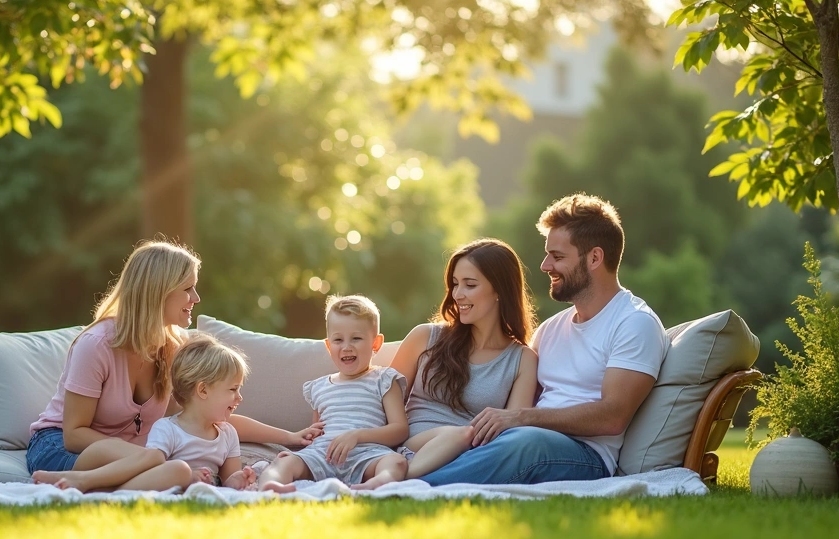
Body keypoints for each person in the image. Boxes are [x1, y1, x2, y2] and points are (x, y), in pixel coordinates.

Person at [28, 240, 320, 492]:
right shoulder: (97, 344)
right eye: (188, 289)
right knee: (163, 461)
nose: (196, 298)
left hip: (134, 456)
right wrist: (148, 455)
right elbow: (74, 434)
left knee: (177, 469)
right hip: (63, 449)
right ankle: (83, 480)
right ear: (159, 292)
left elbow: (206, 415)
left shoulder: (175, 347)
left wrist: (289, 436)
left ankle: (97, 490)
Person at [416, 194, 669, 485]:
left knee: (525, 443)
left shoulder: (634, 323)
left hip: (583, 455)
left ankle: (407, 486)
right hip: (525, 439)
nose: (545, 265)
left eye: (558, 256)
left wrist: (523, 418)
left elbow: (613, 416)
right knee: (495, 439)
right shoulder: (551, 329)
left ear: (595, 258)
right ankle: (398, 472)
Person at [386, 239, 539, 485]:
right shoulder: (425, 337)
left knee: (471, 438)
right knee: (462, 434)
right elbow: (382, 400)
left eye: (470, 285)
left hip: (468, 460)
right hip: (409, 447)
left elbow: (511, 433)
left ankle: (400, 478)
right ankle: (399, 474)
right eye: (455, 284)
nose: (457, 294)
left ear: (500, 290)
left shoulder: (522, 359)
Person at [259, 295, 409, 493]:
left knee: (396, 462)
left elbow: (400, 430)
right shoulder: (319, 386)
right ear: (329, 345)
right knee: (283, 462)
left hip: (367, 454)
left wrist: (357, 436)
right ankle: (272, 486)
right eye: (338, 340)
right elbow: (318, 430)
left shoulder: (384, 379)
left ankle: (376, 484)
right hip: (323, 454)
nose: (347, 347)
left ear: (376, 343)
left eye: (356, 338)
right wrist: (306, 440)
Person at [144, 333, 257, 490]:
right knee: (179, 469)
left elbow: (227, 486)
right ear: (203, 390)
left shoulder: (228, 434)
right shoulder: (167, 429)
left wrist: (238, 479)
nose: (240, 398)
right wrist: (189, 477)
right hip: (169, 493)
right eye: (233, 389)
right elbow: (152, 474)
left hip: (203, 500)